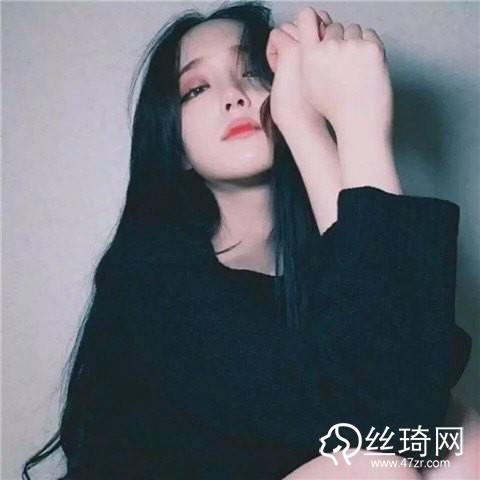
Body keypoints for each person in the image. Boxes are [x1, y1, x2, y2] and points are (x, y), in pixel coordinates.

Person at [22, 1, 475, 479]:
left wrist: (304, 127)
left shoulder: (312, 261)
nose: (234, 96)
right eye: (196, 88)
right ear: (174, 143)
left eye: (254, 73)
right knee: (371, 469)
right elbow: (381, 417)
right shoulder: (147, 278)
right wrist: (360, 124)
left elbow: (408, 391)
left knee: (459, 438)